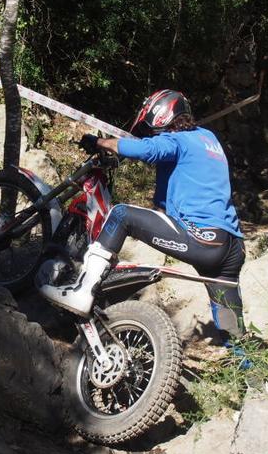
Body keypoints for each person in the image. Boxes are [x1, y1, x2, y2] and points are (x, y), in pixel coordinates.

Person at [39, 89, 247, 343]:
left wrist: (101, 143)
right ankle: (250, 370)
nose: (151, 135)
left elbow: (148, 150)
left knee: (121, 214)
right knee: (229, 316)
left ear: (162, 116)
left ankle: (82, 290)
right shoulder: (207, 138)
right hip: (231, 247)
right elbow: (162, 204)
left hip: (202, 240)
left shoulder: (177, 140)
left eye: (151, 130)